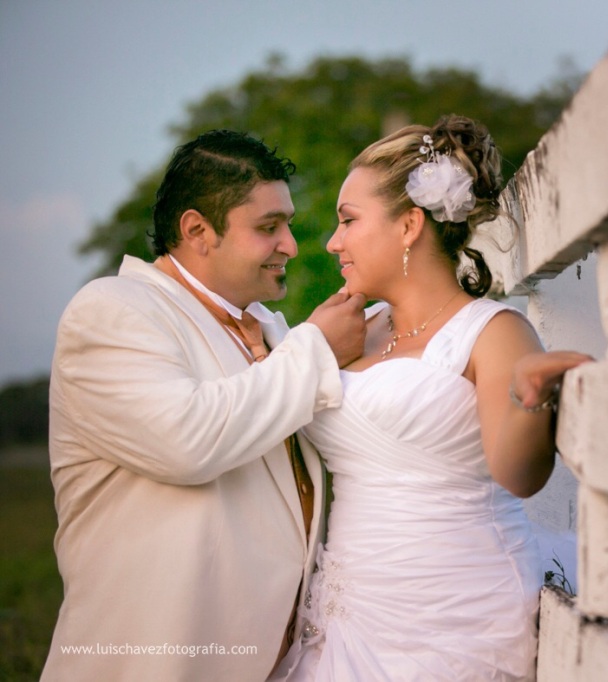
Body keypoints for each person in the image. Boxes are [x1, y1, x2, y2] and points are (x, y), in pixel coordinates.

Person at [271, 115, 592, 681]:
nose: (333, 242)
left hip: (452, 615)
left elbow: (518, 476)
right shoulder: (357, 328)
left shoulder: (493, 332)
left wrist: (528, 396)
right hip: (349, 609)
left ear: (409, 225)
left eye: (348, 221)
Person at [43, 130, 367, 681]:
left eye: (286, 224)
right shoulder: (109, 310)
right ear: (197, 231)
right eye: (268, 228)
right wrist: (316, 349)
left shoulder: (275, 332)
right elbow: (186, 440)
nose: (290, 244)